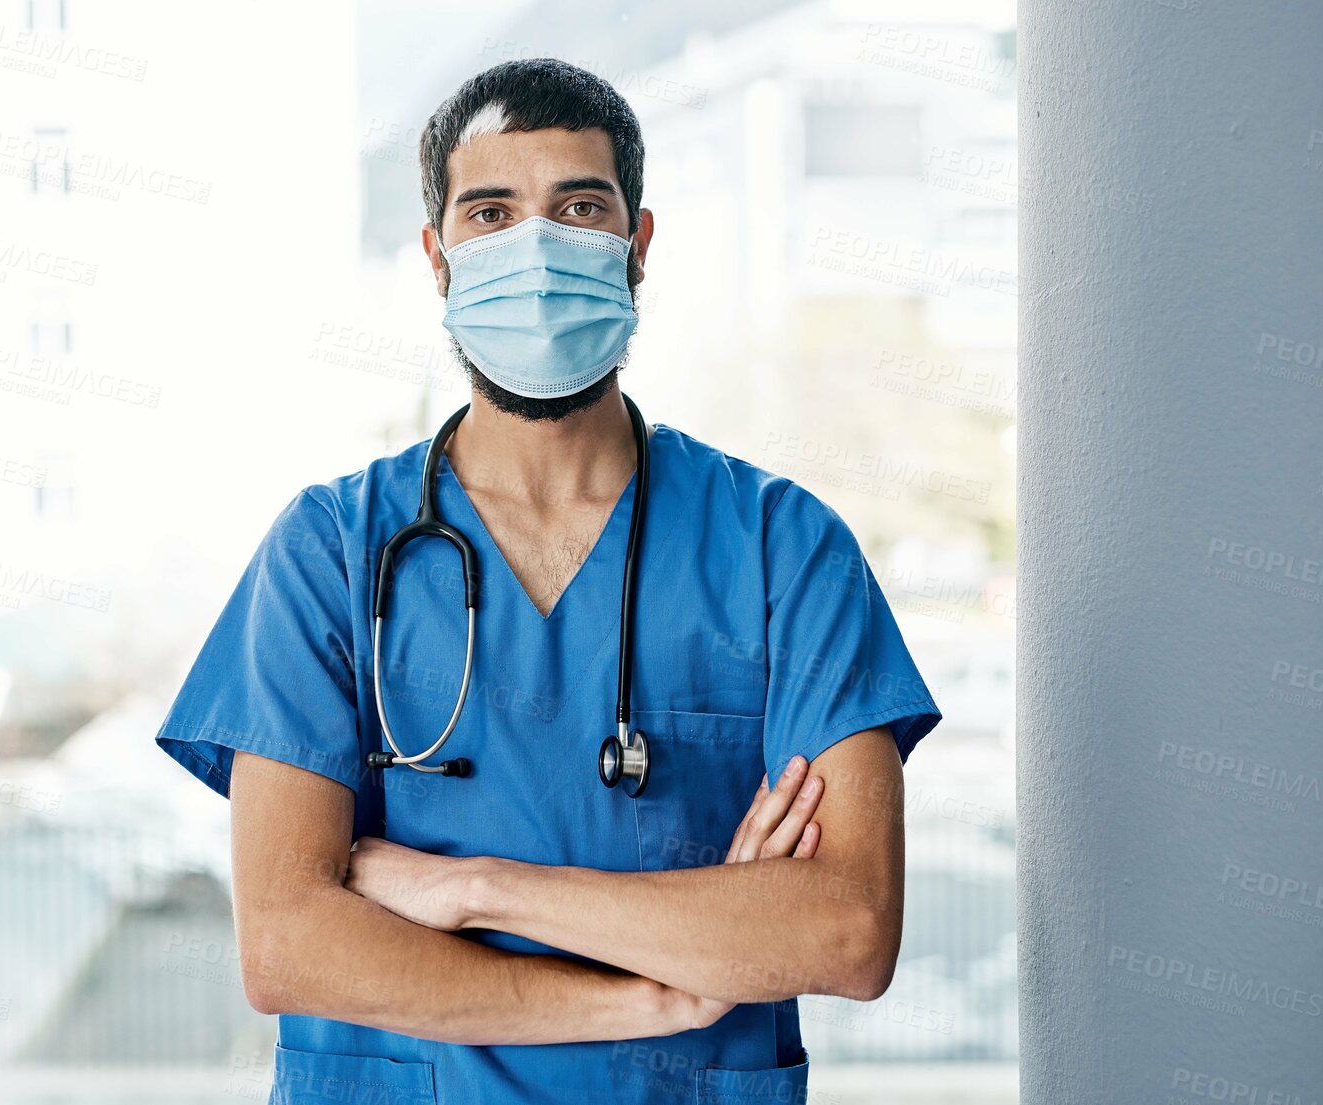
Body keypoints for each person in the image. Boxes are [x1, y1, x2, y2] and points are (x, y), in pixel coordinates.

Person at [156, 58, 941, 1105]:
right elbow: (291, 942)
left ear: (636, 246)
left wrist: (470, 889)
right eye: (490, 212)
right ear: (436, 259)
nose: (534, 248)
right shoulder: (331, 551)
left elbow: (843, 929)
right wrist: (652, 993)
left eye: (578, 207)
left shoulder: (779, 548)